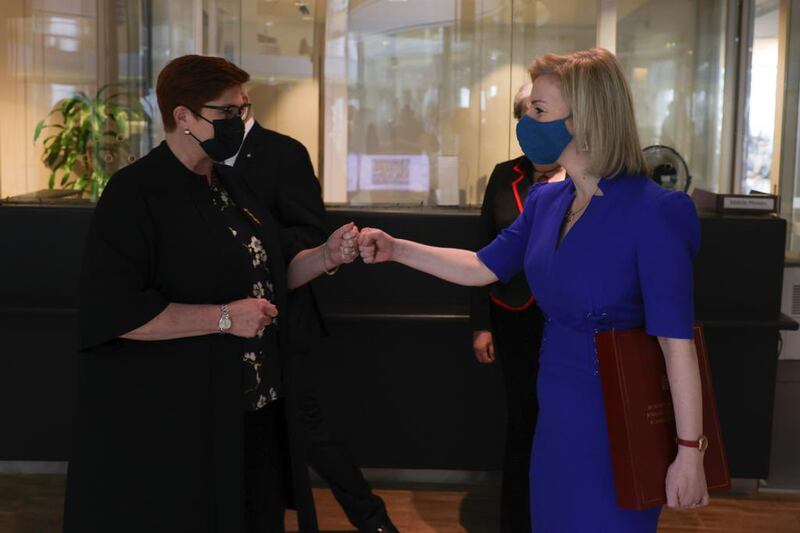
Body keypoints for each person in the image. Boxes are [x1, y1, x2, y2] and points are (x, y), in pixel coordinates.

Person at [357, 48, 708, 532]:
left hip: (616, 426)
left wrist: (690, 452)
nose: (527, 122)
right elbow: (482, 266)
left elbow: (677, 344)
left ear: (585, 119)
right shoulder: (548, 200)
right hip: (554, 416)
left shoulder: (656, 212)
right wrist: (397, 249)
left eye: (538, 111)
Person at [63, 55, 361, 533]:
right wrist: (224, 317)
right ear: (182, 116)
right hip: (182, 418)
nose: (239, 122)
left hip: (252, 407)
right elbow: (115, 312)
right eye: (226, 113)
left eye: (243, 110)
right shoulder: (135, 193)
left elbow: (274, 270)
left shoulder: (231, 184)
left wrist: (327, 255)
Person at [226, 98, 398, 533]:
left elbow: (309, 231)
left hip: (285, 320)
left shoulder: (283, 153)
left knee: (308, 430)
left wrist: (254, 248)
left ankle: (373, 521)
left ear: (243, 105)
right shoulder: (202, 158)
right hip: (225, 325)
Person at [470, 82, 565, 533]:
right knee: (523, 418)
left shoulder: (585, 180)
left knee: (564, 422)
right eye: (528, 112)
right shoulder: (503, 174)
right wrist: (480, 324)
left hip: (566, 321)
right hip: (513, 316)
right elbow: (482, 252)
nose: (533, 122)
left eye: (542, 111)